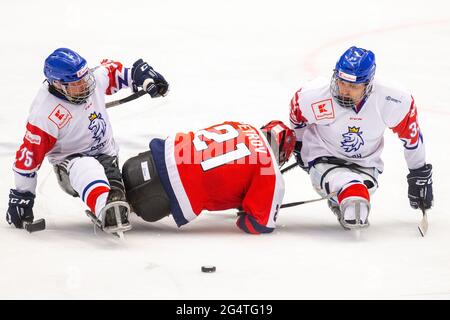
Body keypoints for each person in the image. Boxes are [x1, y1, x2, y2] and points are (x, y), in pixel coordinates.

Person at [6, 47, 169, 235]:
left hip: (107, 156)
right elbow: (29, 156)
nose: (85, 85)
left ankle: (114, 198)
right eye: (77, 83)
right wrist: (22, 195)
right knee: (87, 167)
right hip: (71, 164)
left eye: (85, 77)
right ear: (57, 84)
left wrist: (144, 78)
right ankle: (104, 206)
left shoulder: (89, 80)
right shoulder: (44, 113)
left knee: (119, 186)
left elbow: (116, 72)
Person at [289, 46, 433, 230]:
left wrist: (418, 173)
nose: (344, 90)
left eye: (353, 86)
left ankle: (344, 193)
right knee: (355, 202)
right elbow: (297, 120)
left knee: (356, 202)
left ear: (368, 84)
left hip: (366, 165)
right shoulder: (313, 96)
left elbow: (411, 140)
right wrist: (299, 146)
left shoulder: (393, 100)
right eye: (341, 82)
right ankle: (345, 192)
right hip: (323, 156)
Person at [121, 120, 296, 234]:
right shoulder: (269, 170)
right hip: (168, 197)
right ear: (282, 153)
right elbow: (258, 225)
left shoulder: (242, 125)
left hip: (154, 156)